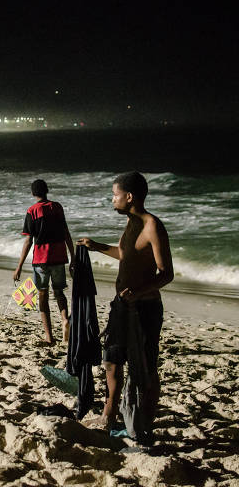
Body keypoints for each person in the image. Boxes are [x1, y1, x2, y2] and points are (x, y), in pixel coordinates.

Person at [77, 172, 173, 437]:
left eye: (115, 195)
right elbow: (124, 254)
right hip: (122, 305)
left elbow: (166, 274)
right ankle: (107, 417)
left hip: (145, 309)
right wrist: (96, 246)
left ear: (129, 197)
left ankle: (143, 427)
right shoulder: (130, 223)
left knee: (145, 368)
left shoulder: (152, 225)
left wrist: (139, 292)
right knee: (111, 362)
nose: (112, 199)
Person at [13, 179, 75, 345]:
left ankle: (49, 336)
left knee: (42, 295)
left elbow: (28, 241)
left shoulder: (32, 211)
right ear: (47, 190)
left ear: (33, 193)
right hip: (59, 257)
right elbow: (66, 233)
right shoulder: (57, 207)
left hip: (41, 260)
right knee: (59, 292)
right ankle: (64, 320)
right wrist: (73, 257)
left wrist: (19, 266)